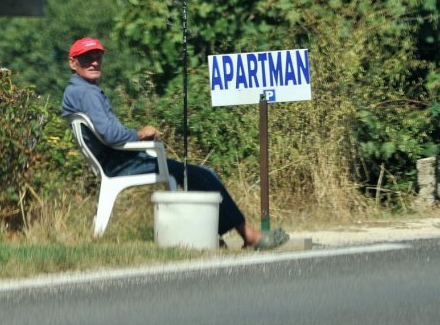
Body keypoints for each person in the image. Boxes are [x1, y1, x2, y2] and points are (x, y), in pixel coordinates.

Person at [61, 37, 288, 250]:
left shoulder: (78, 91)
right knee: (201, 174)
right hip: (121, 163)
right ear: (73, 63)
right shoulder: (86, 93)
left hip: (119, 160)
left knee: (198, 173)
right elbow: (110, 135)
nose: (94, 62)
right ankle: (248, 235)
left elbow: (107, 133)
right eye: (86, 58)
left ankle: (211, 235)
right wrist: (140, 134)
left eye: (97, 56)